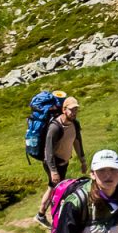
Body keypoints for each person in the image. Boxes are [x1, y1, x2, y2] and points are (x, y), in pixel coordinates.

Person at [35, 96, 85, 225]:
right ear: (64, 110)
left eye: (76, 110)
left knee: (56, 189)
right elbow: (48, 151)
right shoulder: (55, 127)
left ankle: (49, 214)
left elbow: (77, 141)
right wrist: (53, 171)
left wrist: (82, 160)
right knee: (54, 188)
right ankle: (43, 214)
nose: (74, 113)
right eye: (71, 110)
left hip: (64, 162)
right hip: (53, 163)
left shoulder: (75, 123)